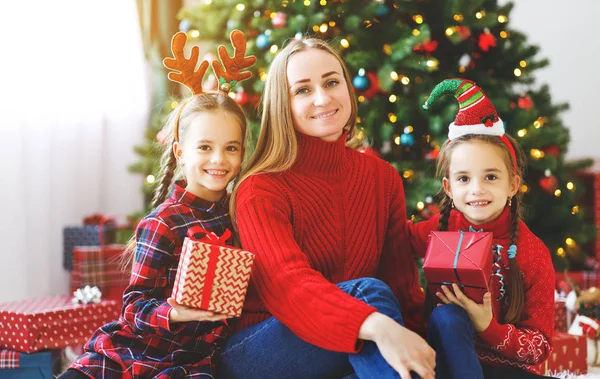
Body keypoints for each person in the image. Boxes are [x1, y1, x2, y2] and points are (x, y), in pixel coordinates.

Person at [217, 37, 435, 379]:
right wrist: (378, 326)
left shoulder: (382, 179)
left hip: (345, 344)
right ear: (282, 105)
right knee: (369, 294)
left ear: (348, 89)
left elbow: (403, 287)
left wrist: (420, 345)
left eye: (332, 82)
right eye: (303, 90)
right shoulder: (260, 188)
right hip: (259, 350)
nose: (323, 98)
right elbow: (289, 286)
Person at [59, 30, 255, 379]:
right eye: (205, 147)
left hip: (189, 363)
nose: (219, 159)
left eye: (231, 148)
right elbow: (134, 307)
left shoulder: (240, 216)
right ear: (180, 151)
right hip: (132, 351)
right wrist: (175, 311)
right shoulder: (164, 222)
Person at [409, 78, 555, 379]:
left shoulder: (531, 252)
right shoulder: (438, 229)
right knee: (448, 315)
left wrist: (488, 327)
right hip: (442, 361)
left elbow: (539, 346)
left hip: (501, 368)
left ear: (512, 184)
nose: (477, 189)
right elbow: (385, 238)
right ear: (448, 188)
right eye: (464, 179)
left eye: (490, 177)